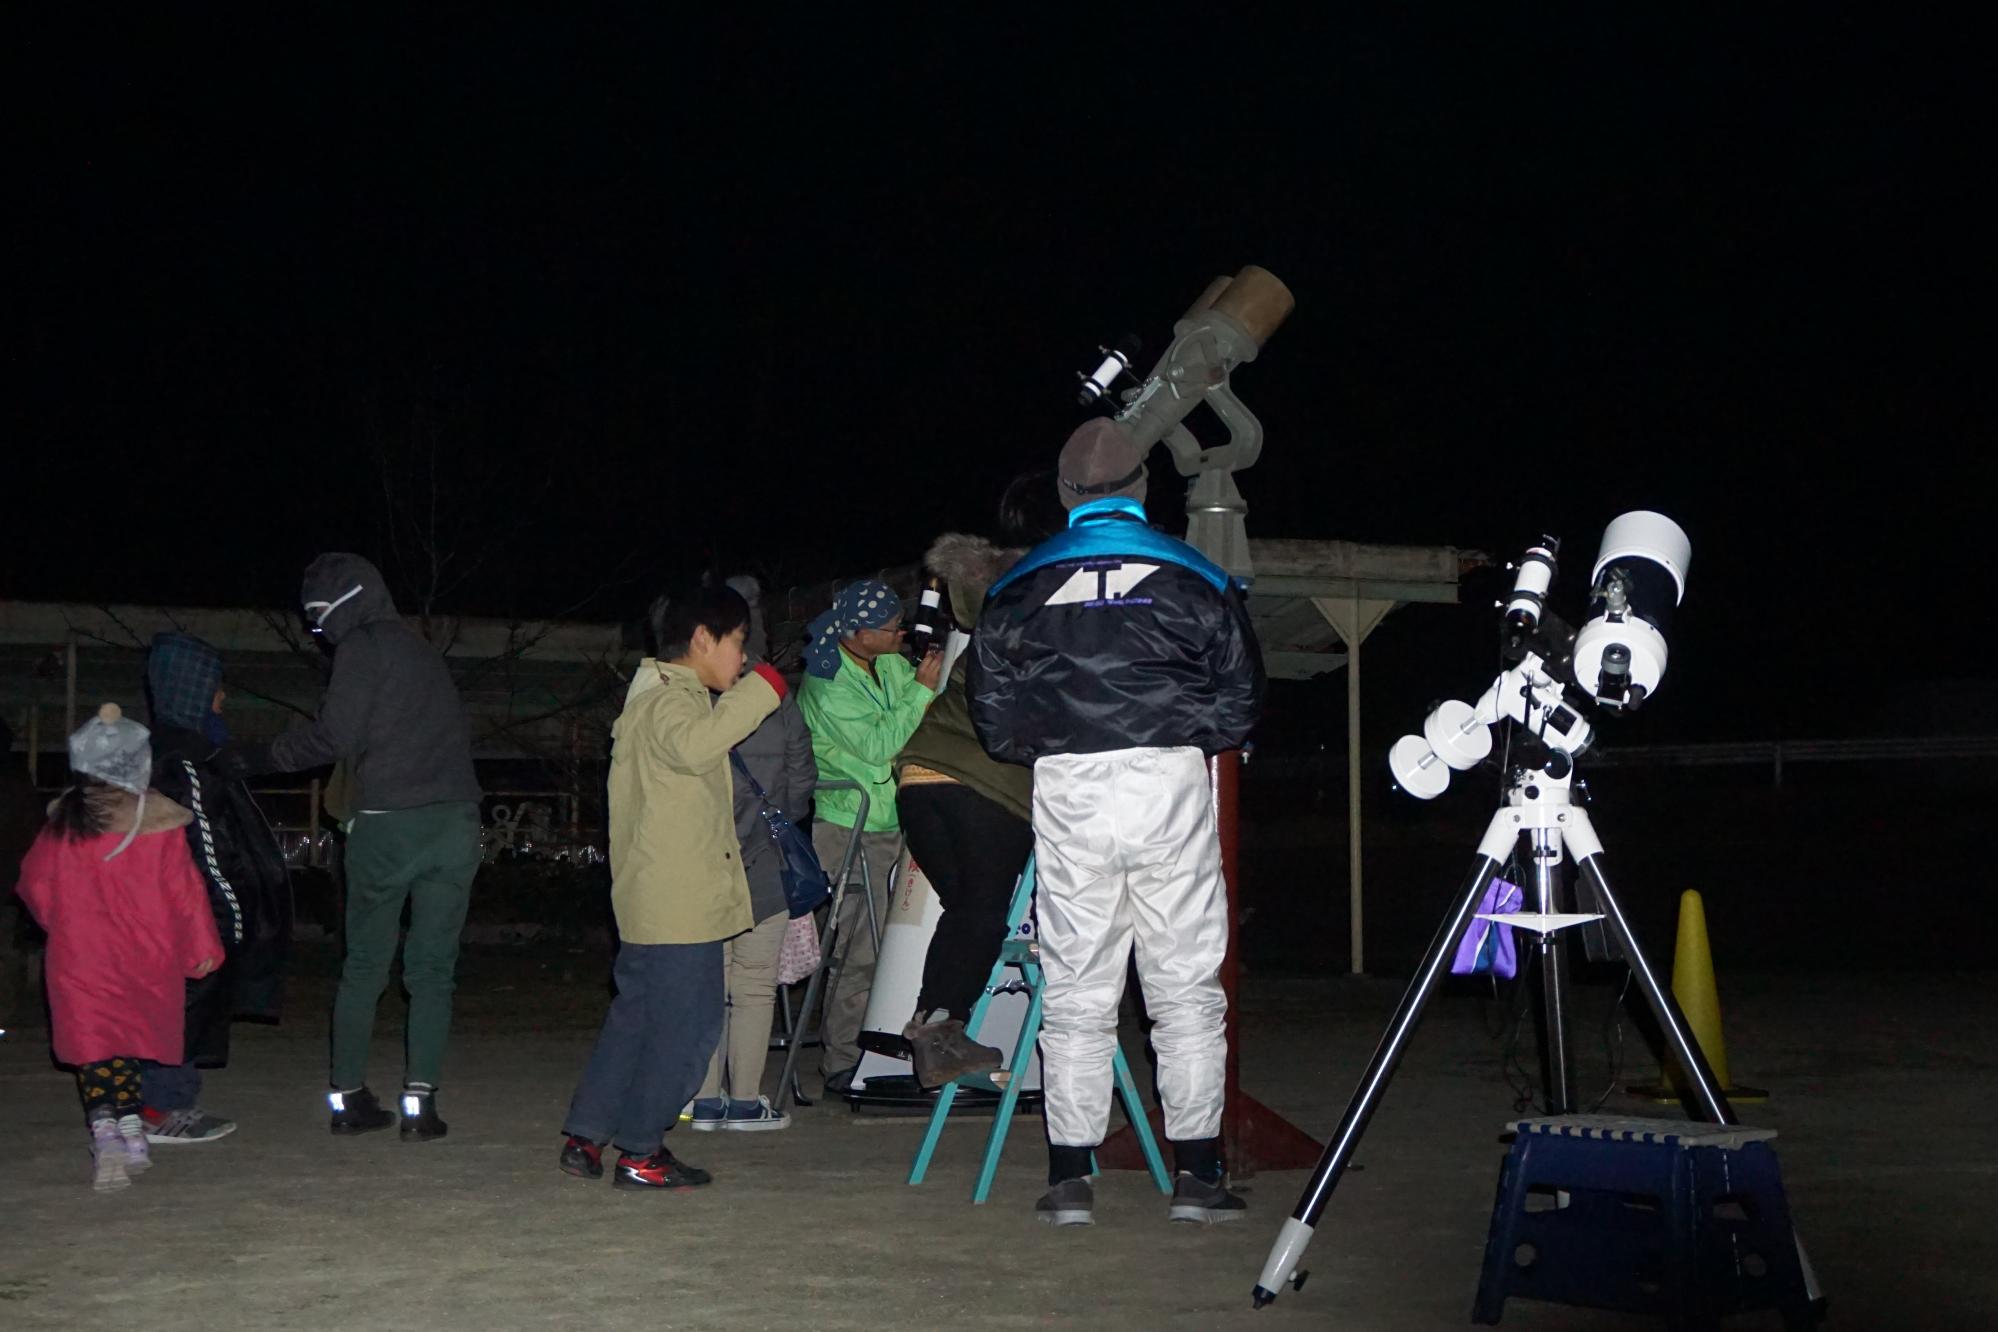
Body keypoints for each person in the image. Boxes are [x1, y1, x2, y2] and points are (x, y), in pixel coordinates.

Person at [971, 418, 1265, 1227]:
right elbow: (1240, 702)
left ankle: (1071, 1177)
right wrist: (1183, 732)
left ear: (1065, 497)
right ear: (1142, 491)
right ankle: (1198, 1176)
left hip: (1069, 785)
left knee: (1075, 986)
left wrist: (1059, 742)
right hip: (1169, 778)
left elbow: (994, 722)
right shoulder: (1196, 574)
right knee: (1185, 986)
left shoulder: (1017, 587)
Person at [239, 553, 481, 1139]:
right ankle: (420, 1106)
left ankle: (348, 1099)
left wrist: (259, 757)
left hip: (388, 824)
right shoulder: (422, 650)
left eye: (319, 623)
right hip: (455, 823)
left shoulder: (362, 647)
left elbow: (334, 735)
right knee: (432, 969)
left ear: (338, 608)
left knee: (366, 964)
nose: (320, 637)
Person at [558, 585, 790, 1189]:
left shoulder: (656, 696)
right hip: (677, 905)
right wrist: (765, 689)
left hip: (656, 897)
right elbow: (693, 749)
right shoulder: (670, 702)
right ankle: (641, 1149)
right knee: (688, 1028)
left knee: (636, 1019)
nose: (743, 659)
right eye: (739, 643)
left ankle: (588, 1131)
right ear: (703, 639)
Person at [16, 704, 225, 1192]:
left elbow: (34, 886)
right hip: (146, 962)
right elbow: (187, 896)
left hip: (81, 962)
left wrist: (62, 925)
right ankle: (133, 1133)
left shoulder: (65, 825)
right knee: (129, 1047)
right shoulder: (160, 827)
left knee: (98, 1052)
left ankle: (107, 1130)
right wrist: (201, 948)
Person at [137, 632, 293, 1145]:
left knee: (170, 1002)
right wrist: (232, 915)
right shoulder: (186, 762)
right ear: (192, 691)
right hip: (189, 914)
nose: (222, 698)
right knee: (182, 1004)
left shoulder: (167, 754)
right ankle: (164, 1108)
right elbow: (207, 849)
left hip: (166, 911)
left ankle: (159, 1102)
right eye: (214, 688)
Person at [891, 534, 1034, 1087]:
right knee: (981, 912)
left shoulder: (984, 641)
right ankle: (943, 1027)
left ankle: (933, 1023)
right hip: (983, 787)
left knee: (968, 914)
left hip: (918, 778)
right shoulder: (1038, 639)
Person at [796, 580, 942, 1090]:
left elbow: (922, 710)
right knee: (855, 951)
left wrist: (924, 686)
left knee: (886, 949)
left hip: (891, 823)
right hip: (848, 829)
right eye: (890, 629)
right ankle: (840, 1060)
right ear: (858, 633)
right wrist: (922, 690)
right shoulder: (826, 682)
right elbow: (882, 744)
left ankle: (874, 1050)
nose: (900, 635)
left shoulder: (884, 664)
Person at [687, 577, 815, 1132]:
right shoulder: (774, 690)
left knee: (707, 981)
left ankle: (703, 1096)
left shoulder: (689, 690)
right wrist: (775, 818)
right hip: (766, 854)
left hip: (704, 857)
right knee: (756, 981)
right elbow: (801, 773)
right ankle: (745, 1101)